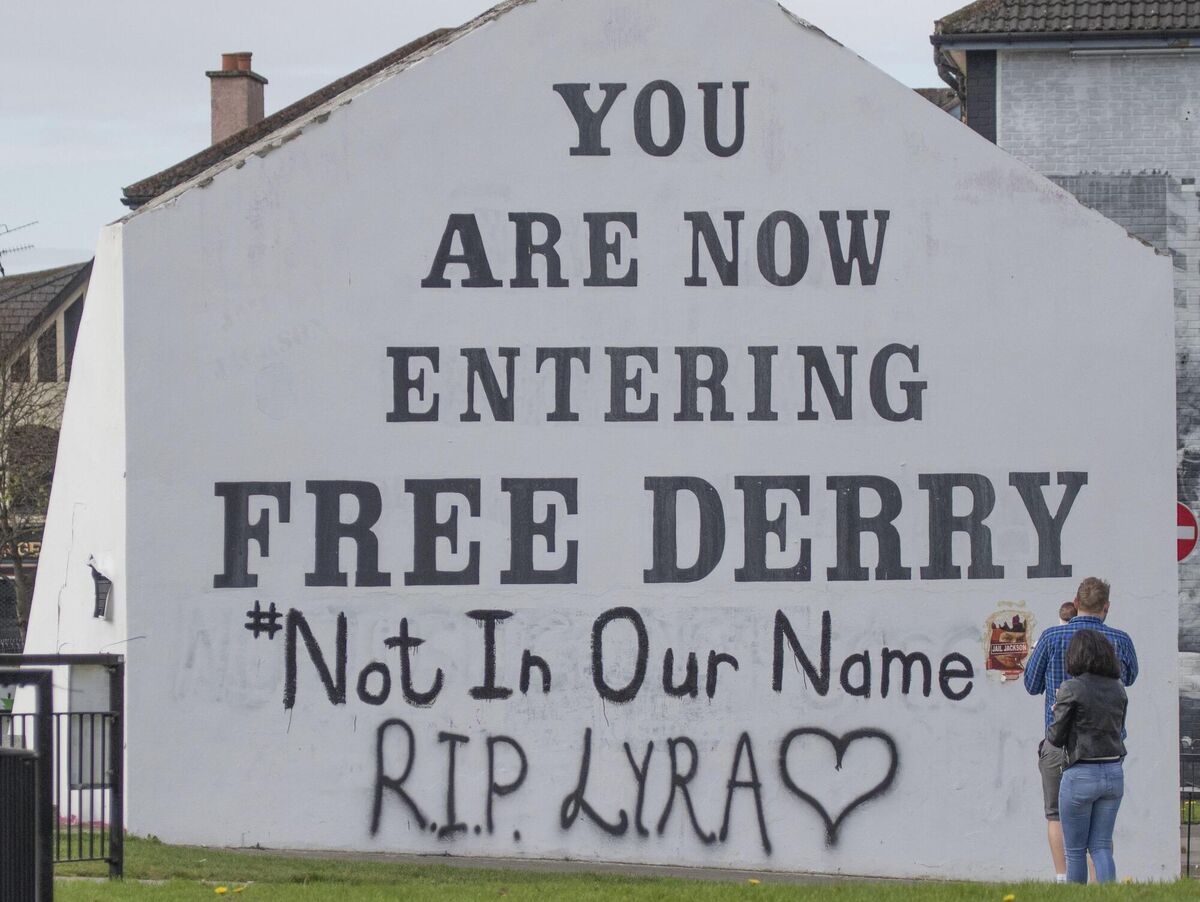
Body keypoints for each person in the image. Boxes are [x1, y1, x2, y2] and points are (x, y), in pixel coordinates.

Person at [1023, 577, 1137, 883]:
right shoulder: (1121, 640)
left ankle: (1063, 879)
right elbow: (1132, 677)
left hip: (1059, 742)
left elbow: (1031, 685)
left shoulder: (1051, 637)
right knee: (1100, 839)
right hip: (1108, 748)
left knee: (1056, 815)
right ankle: (1103, 887)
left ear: (1076, 601)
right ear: (1106, 607)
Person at [1046, 629, 1128, 883]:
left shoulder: (1073, 687)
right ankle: (1109, 897)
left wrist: (1057, 708)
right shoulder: (1118, 688)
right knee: (1101, 846)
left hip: (1081, 772)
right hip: (1113, 772)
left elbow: (1056, 737)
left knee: (1075, 851)